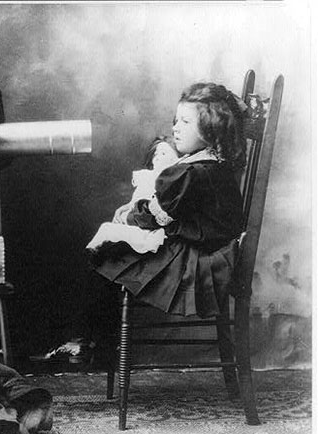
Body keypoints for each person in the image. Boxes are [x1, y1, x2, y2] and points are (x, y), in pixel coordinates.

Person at [42, 82, 246, 364]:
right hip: (213, 252)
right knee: (114, 251)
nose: (176, 128)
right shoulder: (213, 165)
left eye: (186, 122)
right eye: (176, 120)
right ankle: (94, 341)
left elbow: (155, 216)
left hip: (200, 264)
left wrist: (130, 215)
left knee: (106, 253)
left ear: (211, 129)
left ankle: (93, 341)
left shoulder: (193, 173)